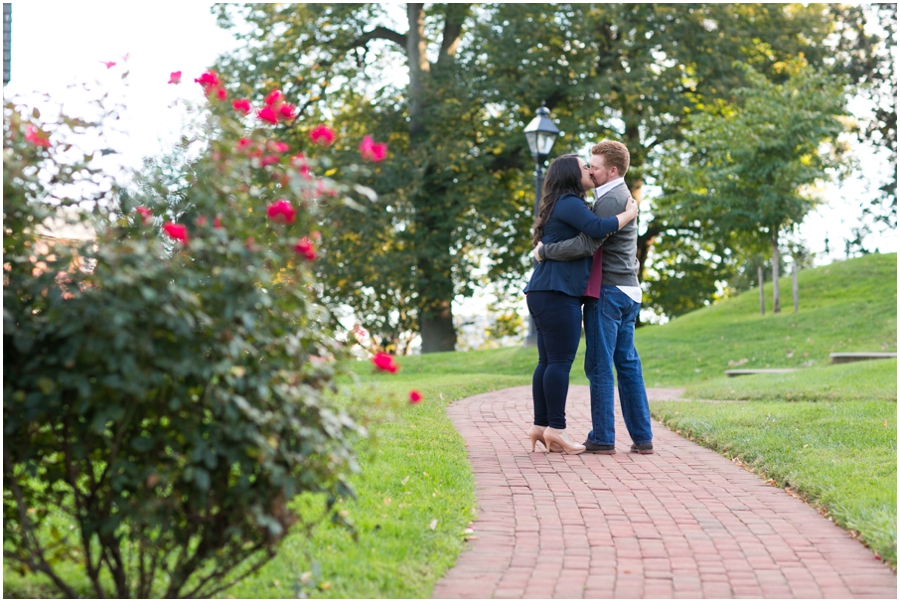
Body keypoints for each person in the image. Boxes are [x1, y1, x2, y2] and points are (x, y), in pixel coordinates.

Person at [534, 141, 653, 455]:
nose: (589, 170)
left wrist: (544, 251)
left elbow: (586, 244)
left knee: (599, 365)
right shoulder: (621, 196)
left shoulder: (608, 201)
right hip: (629, 289)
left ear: (611, 170)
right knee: (627, 363)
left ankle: (602, 437)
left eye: (594, 166)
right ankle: (643, 437)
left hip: (610, 291)